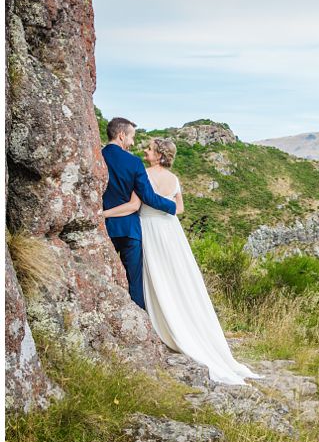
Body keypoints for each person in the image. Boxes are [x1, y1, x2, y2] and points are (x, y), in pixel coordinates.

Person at [101, 136, 257, 386]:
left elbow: (135, 204)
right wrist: (167, 208)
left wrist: (105, 213)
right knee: (176, 277)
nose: (145, 150)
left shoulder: (144, 172)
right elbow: (180, 208)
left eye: (150, 149)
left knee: (154, 276)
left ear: (159, 155)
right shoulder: (174, 179)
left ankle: (160, 323)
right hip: (170, 231)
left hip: (150, 227)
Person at [101, 116, 177, 309]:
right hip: (129, 230)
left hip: (103, 228)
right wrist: (171, 206)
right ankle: (138, 322)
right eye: (131, 137)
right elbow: (149, 197)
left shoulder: (98, 156)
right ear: (121, 135)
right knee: (135, 283)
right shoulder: (134, 163)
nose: (133, 142)